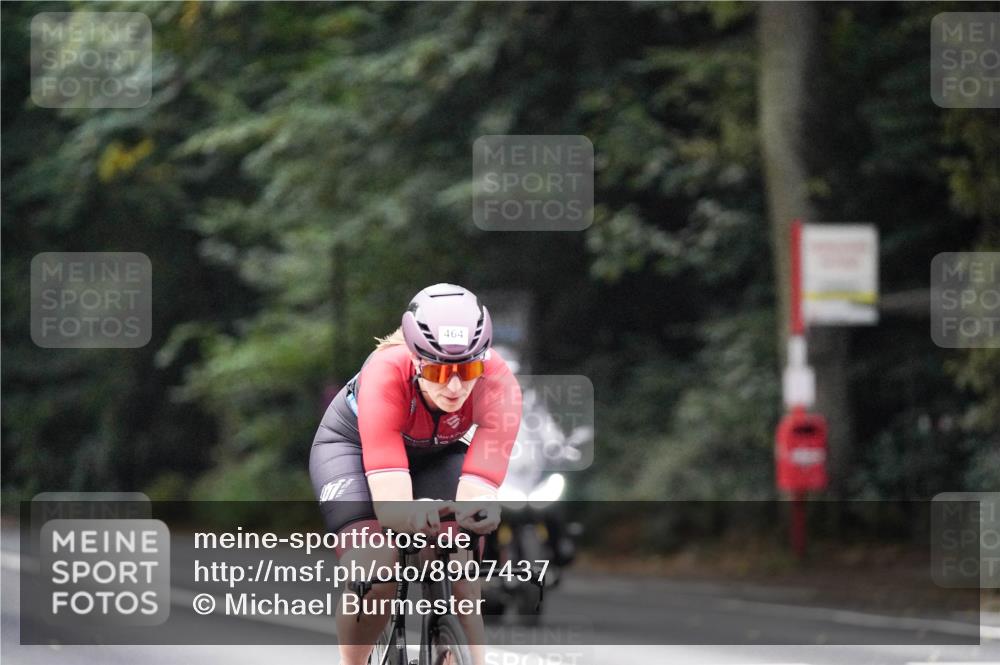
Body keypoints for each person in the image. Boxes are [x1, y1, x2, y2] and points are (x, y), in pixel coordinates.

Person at [309, 283, 522, 665]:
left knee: (461, 559)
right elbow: (392, 507)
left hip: (435, 453)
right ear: (416, 359)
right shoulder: (386, 375)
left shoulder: (500, 385)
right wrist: (409, 510)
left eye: (469, 369)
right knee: (375, 568)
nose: (456, 386)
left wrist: (480, 510)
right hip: (353, 451)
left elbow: (477, 491)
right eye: (440, 372)